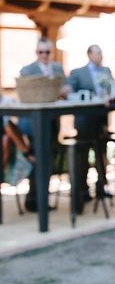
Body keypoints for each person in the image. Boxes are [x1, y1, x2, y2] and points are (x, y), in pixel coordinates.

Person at [19, 37, 68, 212]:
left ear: (51, 52)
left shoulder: (57, 68)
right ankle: (33, 200)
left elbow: (66, 88)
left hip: (53, 121)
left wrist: (64, 91)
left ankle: (42, 199)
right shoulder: (28, 69)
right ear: (36, 52)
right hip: (35, 124)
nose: (44, 55)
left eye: (47, 52)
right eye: (41, 52)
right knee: (37, 161)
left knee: (48, 161)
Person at [67, 45, 115, 210]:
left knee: (101, 155)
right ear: (89, 55)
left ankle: (101, 189)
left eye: (101, 53)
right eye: (97, 53)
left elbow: (113, 89)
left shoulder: (106, 70)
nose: (100, 56)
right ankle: (82, 192)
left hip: (101, 121)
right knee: (82, 158)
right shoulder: (77, 72)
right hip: (84, 122)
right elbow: (69, 91)